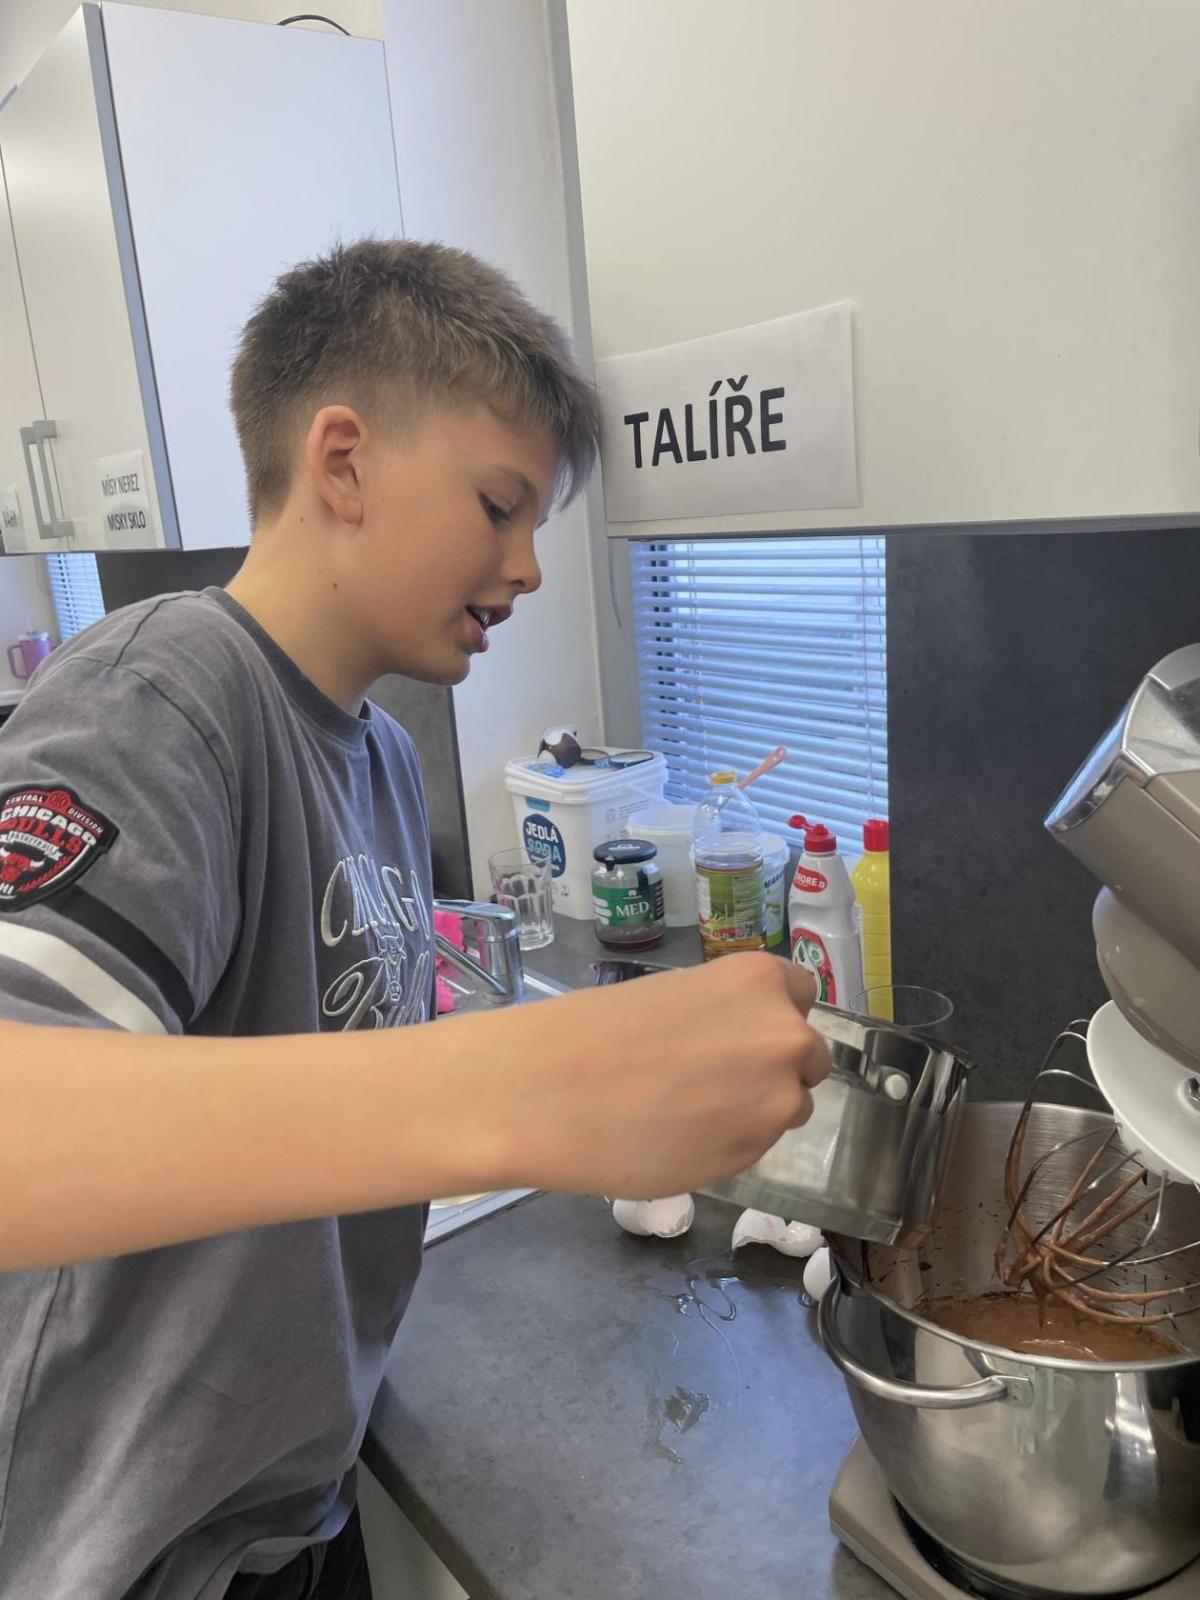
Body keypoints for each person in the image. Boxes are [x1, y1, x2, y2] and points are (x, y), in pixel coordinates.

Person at [0, 240, 828, 1600]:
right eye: (500, 506)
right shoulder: (160, 697)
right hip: (120, 1558)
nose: (529, 568)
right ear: (343, 462)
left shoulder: (380, 756)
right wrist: (534, 1085)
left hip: (288, 1515)